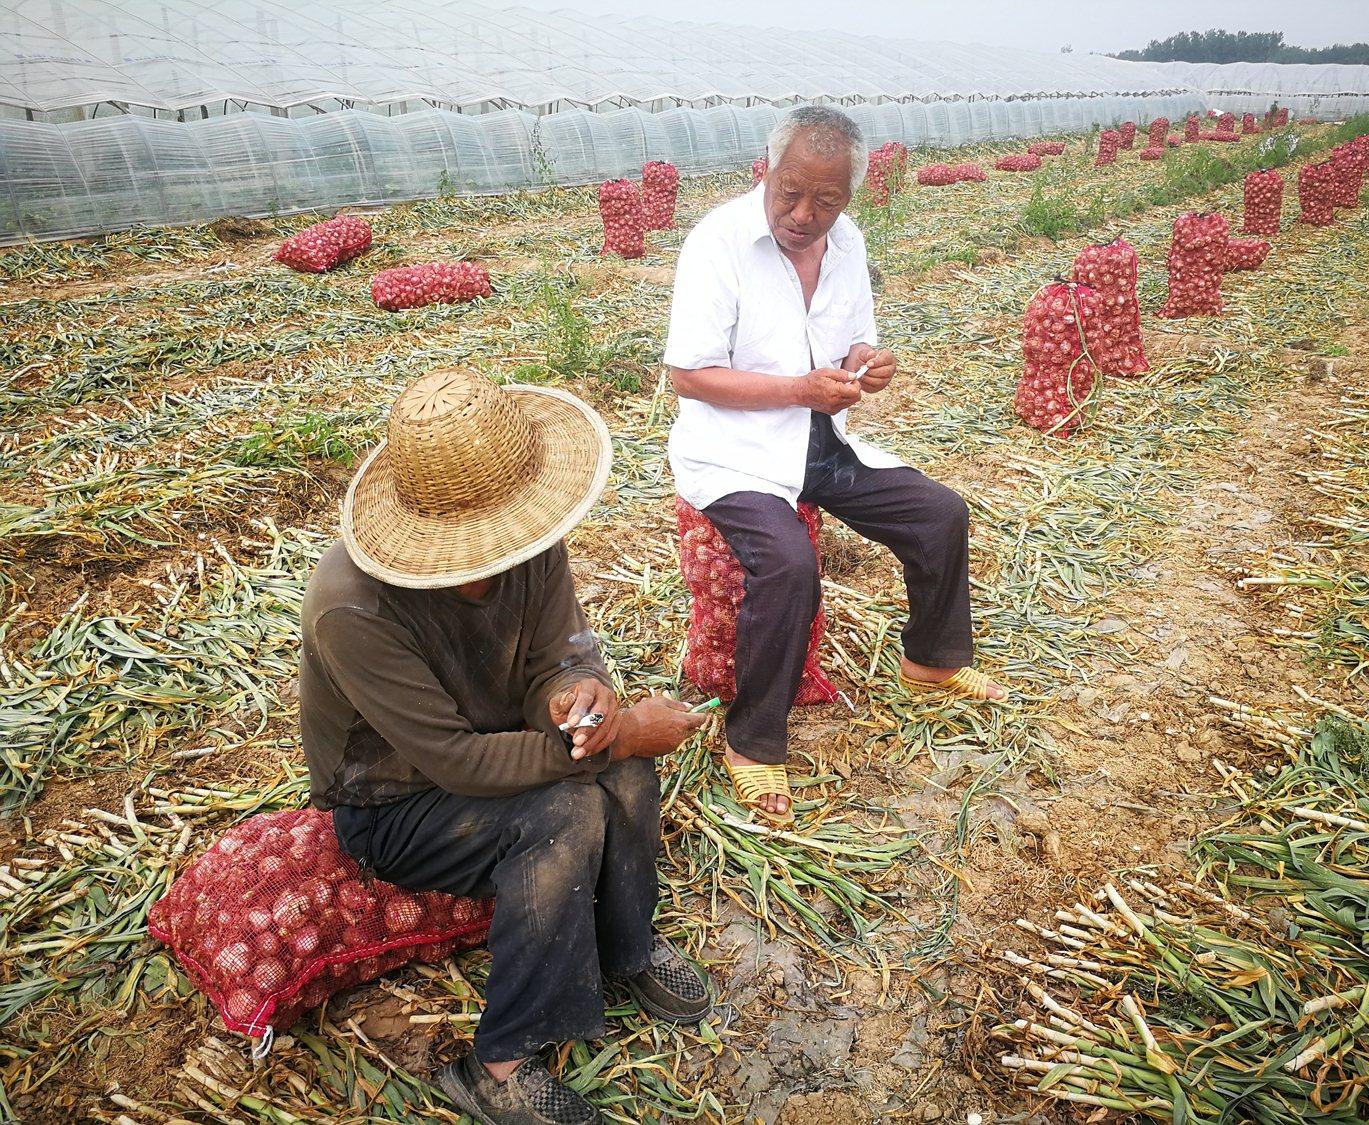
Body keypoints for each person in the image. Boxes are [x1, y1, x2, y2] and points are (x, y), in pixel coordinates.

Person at [299, 367, 712, 1125]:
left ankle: (629, 948)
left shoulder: (531, 541)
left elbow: (564, 650)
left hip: (494, 743)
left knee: (625, 778)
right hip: (397, 799)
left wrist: (581, 692)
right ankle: (497, 1065)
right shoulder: (352, 606)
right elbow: (453, 760)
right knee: (564, 812)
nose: (507, 555)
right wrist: (613, 736)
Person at [663, 106, 1004, 824]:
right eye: (790, 191)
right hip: (737, 454)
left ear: (852, 194)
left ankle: (932, 659)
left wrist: (865, 365)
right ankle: (753, 742)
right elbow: (688, 376)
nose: (803, 213)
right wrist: (797, 389)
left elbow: (855, 342)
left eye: (827, 199)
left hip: (819, 441)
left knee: (940, 513)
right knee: (789, 562)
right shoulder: (718, 244)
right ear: (768, 166)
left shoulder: (846, 243)